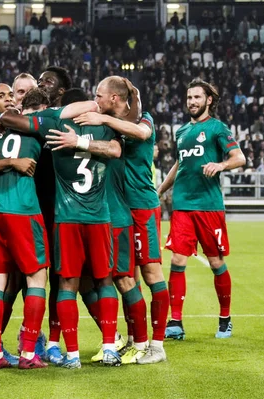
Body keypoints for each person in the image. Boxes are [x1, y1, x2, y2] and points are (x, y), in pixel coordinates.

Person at [0, 88, 123, 368]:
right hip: (100, 216)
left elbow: (15, 121)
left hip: (65, 217)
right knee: (104, 281)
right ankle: (109, 347)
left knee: (66, 283)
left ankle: (73, 355)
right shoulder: (104, 129)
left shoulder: (54, 124)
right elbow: (116, 150)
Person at [73, 76, 170, 364]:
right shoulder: (107, 123)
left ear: (114, 98)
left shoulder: (143, 119)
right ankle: (134, 339)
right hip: (118, 211)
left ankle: (158, 346)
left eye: (100, 95)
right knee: (126, 277)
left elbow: (140, 134)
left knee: (151, 275)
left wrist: (108, 117)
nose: (96, 100)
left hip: (142, 207)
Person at [157, 79, 246, 340]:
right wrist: (161, 190)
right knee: (176, 260)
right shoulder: (182, 131)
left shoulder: (218, 128)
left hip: (209, 206)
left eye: (197, 97)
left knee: (216, 262)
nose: (192, 102)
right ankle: (176, 323)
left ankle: (225, 318)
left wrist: (220, 165)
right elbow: (179, 164)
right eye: (189, 98)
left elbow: (239, 158)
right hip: (183, 204)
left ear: (209, 100)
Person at [0, 89, 52, 370]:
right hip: (23, 211)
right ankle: (29, 353)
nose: (9, 97)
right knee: (37, 277)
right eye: (2, 94)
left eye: (12, 94)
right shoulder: (34, 127)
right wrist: (13, 162)